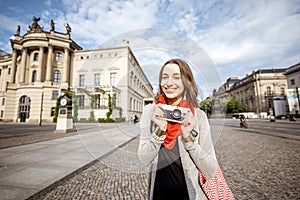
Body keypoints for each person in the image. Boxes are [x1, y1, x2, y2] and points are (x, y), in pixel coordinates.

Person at [138, 59, 218, 200]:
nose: (169, 83)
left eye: (176, 77)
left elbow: (211, 171)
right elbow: (143, 158)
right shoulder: (150, 112)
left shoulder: (198, 116)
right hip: (158, 194)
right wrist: (160, 131)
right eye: (164, 77)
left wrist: (190, 142)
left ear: (187, 82)